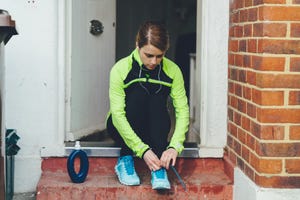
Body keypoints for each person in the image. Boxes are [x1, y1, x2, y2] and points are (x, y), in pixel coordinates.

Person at [106, 21, 189, 190]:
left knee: (157, 101)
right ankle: (125, 158)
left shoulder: (173, 71)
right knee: (139, 95)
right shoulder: (120, 69)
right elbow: (118, 115)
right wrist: (142, 150)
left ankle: (158, 167)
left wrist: (175, 146)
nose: (154, 61)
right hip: (121, 125)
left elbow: (182, 110)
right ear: (138, 45)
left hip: (153, 127)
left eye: (160, 56)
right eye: (149, 55)